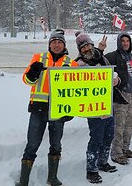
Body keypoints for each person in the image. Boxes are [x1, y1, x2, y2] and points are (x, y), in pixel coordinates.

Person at [16, 29, 79, 186]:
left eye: (59, 42)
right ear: (49, 44)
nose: (56, 45)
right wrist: (33, 73)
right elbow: (27, 80)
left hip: (58, 111)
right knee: (32, 144)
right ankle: (23, 181)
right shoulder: (39, 58)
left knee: (56, 144)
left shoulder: (72, 63)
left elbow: (76, 91)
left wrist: (70, 110)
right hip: (38, 109)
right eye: (53, 42)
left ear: (64, 45)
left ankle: (52, 178)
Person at [74, 32, 118, 184]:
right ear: (80, 50)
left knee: (108, 135)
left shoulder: (101, 58)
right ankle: (91, 169)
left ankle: (102, 161)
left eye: (88, 45)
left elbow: (112, 75)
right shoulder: (79, 64)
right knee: (96, 138)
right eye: (83, 47)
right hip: (93, 107)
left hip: (107, 104)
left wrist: (115, 80)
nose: (87, 48)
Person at [104, 32, 132, 165]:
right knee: (119, 126)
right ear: (119, 42)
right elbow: (101, 66)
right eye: (123, 41)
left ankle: (125, 149)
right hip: (120, 96)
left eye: (127, 41)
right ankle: (116, 153)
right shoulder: (112, 56)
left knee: (129, 125)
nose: (125, 43)